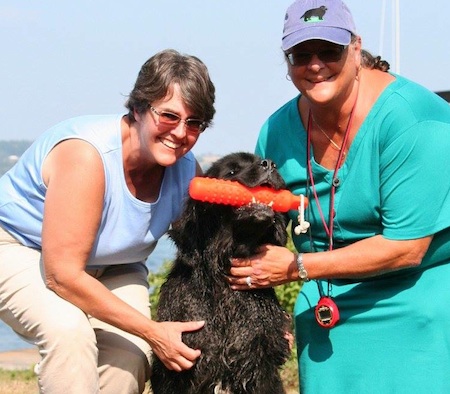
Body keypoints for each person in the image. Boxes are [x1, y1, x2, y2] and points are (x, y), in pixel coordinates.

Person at [227, 0, 450, 392]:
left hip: (417, 295)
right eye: (301, 54)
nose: (315, 64)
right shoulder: (276, 132)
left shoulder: (414, 120)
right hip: (325, 300)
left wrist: (297, 267)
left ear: (356, 48)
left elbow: (408, 248)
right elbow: (260, 234)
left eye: (329, 50)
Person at [0, 49, 215, 393]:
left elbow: (209, 254)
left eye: (194, 123)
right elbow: (63, 276)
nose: (180, 133)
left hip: (116, 265)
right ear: (138, 108)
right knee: (68, 332)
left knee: (131, 355)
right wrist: (153, 331)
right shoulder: (88, 155)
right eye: (169, 116)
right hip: (20, 246)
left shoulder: (188, 173)